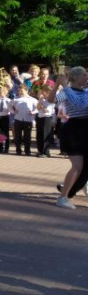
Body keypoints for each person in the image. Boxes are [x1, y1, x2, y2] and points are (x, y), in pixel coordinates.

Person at [51, 67, 88, 208]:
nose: (87, 77)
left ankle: (80, 185)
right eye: (84, 75)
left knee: (85, 167)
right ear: (76, 77)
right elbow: (52, 100)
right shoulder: (66, 92)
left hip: (86, 129)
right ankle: (63, 197)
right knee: (78, 166)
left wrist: (65, 87)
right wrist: (58, 85)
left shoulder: (86, 91)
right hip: (75, 131)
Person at [11, 84, 38, 156]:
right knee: (18, 136)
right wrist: (13, 111)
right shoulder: (15, 99)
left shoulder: (32, 99)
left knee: (27, 136)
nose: (20, 93)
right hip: (18, 119)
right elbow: (9, 106)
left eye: (22, 91)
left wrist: (33, 112)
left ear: (27, 91)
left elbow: (38, 107)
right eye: (19, 91)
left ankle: (27, 150)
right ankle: (18, 150)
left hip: (28, 120)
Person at [36, 86, 55, 158]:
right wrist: (40, 101)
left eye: (43, 91)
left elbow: (46, 111)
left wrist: (42, 107)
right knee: (40, 135)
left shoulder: (51, 100)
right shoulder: (42, 100)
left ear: (47, 93)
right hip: (40, 118)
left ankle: (46, 152)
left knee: (45, 135)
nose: (41, 93)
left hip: (47, 118)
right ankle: (40, 151)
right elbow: (38, 108)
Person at [0, 86, 12, 153]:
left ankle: (6, 148)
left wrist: (9, 109)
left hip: (5, 117)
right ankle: (1, 147)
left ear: (5, 93)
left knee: (6, 133)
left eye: (1, 92)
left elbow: (10, 109)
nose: (0, 93)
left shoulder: (8, 101)